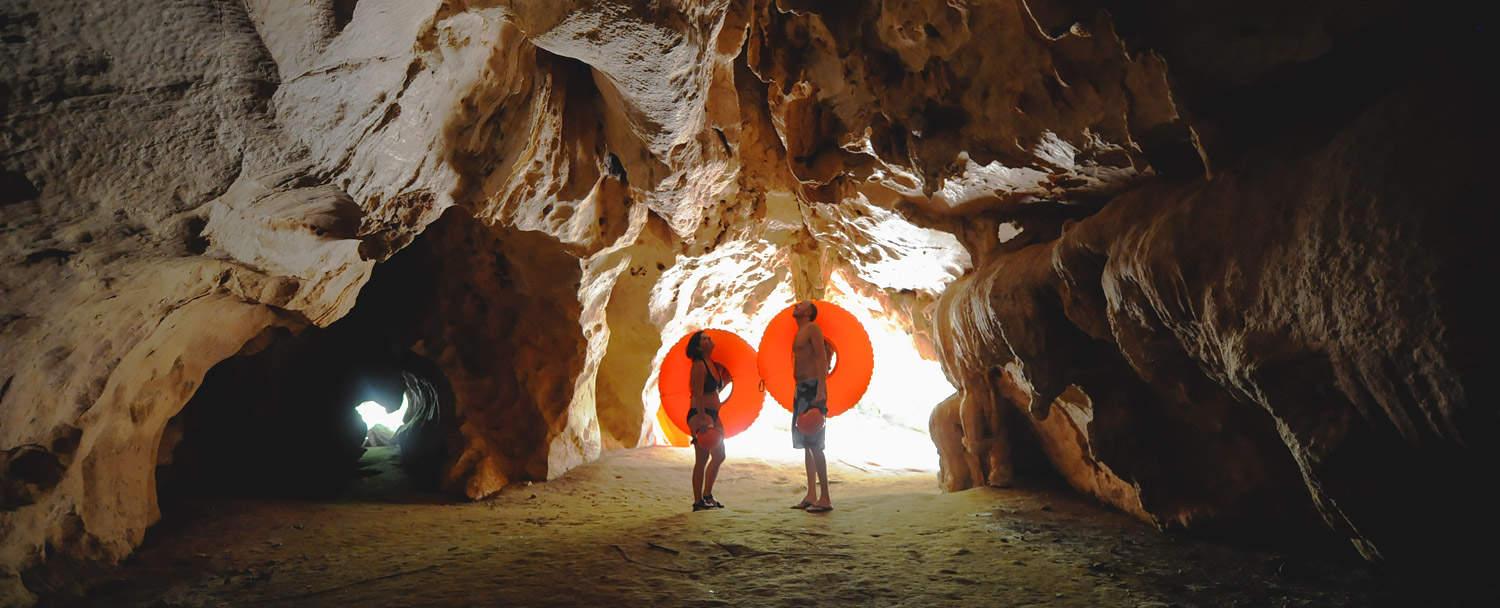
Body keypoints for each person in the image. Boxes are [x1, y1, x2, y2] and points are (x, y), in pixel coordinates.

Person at [789, 301, 833, 513]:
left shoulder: (813, 329)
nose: (796, 306)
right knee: (806, 442)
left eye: (801, 305)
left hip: (813, 387)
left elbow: (821, 357)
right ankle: (811, 494)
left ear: (808, 312)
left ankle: (825, 497)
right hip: (801, 389)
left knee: (815, 442)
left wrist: (821, 389)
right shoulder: (800, 331)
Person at [685, 331, 729, 511]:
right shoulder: (699, 365)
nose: (709, 339)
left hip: (713, 414)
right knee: (702, 459)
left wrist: (724, 382)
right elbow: (697, 393)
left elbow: (713, 391)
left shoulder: (711, 364)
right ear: (697, 347)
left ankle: (707, 495)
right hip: (700, 414)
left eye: (708, 338)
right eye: (704, 339)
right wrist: (703, 418)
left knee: (719, 456)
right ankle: (698, 501)